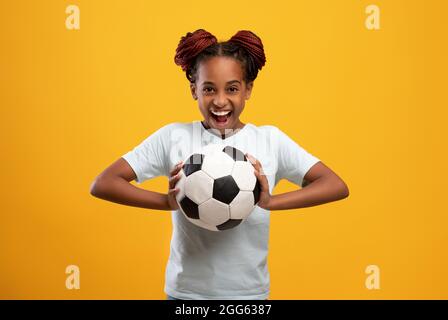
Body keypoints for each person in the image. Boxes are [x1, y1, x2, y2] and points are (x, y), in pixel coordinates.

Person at [90, 29, 350, 300]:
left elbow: (335, 185)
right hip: (185, 295)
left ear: (248, 90)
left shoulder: (270, 140)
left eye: (233, 89)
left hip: (248, 296)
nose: (220, 101)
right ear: (194, 90)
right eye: (209, 89)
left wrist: (271, 202)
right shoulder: (173, 136)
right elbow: (103, 183)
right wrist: (165, 202)